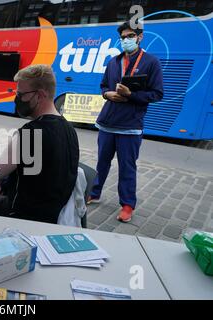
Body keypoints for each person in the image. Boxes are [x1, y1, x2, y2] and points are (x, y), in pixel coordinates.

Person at [0, 64, 79, 224]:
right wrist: (3, 185)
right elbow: (33, 173)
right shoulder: (68, 128)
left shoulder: (31, 132)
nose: (17, 99)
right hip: (52, 211)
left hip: (22, 213)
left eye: (21, 94)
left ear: (40, 95)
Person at [88, 21, 163, 222]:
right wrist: (107, 94)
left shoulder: (151, 62)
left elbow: (157, 94)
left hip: (130, 126)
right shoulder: (113, 61)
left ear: (140, 37)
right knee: (101, 162)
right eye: (123, 37)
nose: (126, 40)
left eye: (130, 36)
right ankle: (94, 193)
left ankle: (127, 205)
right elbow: (103, 86)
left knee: (127, 167)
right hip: (107, 123)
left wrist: (131, 94)